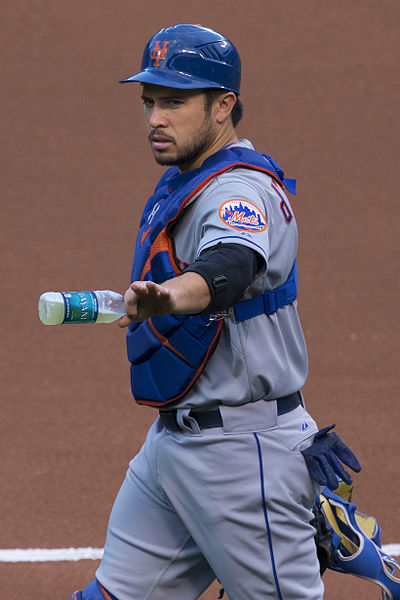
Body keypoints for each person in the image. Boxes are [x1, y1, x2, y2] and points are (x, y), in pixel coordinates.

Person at [70, 24, 361, 600]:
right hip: (175, 445)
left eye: (175, 101)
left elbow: (230, 266)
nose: (156, 116)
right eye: (150, 101)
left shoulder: (238, 191)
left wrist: (174, 294)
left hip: (239, 457)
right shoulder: (189, 181)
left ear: (224, 105)